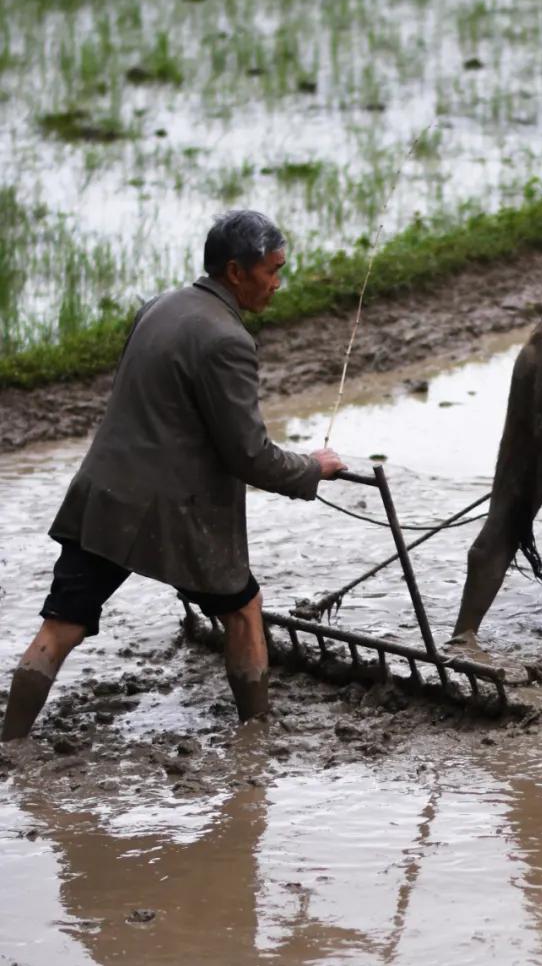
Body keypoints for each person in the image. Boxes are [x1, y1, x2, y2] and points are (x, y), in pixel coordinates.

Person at [1, 210, 343, 741]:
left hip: (104, 497)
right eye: (272, 271)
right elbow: (248, 455)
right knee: (244, 609)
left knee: (60, 626)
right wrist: (311, 469)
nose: (278, 283)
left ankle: (10, 744)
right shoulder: (229, 341)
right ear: (236, 271)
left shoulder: (158, 306)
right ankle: (255, 741)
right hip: (170, 511)